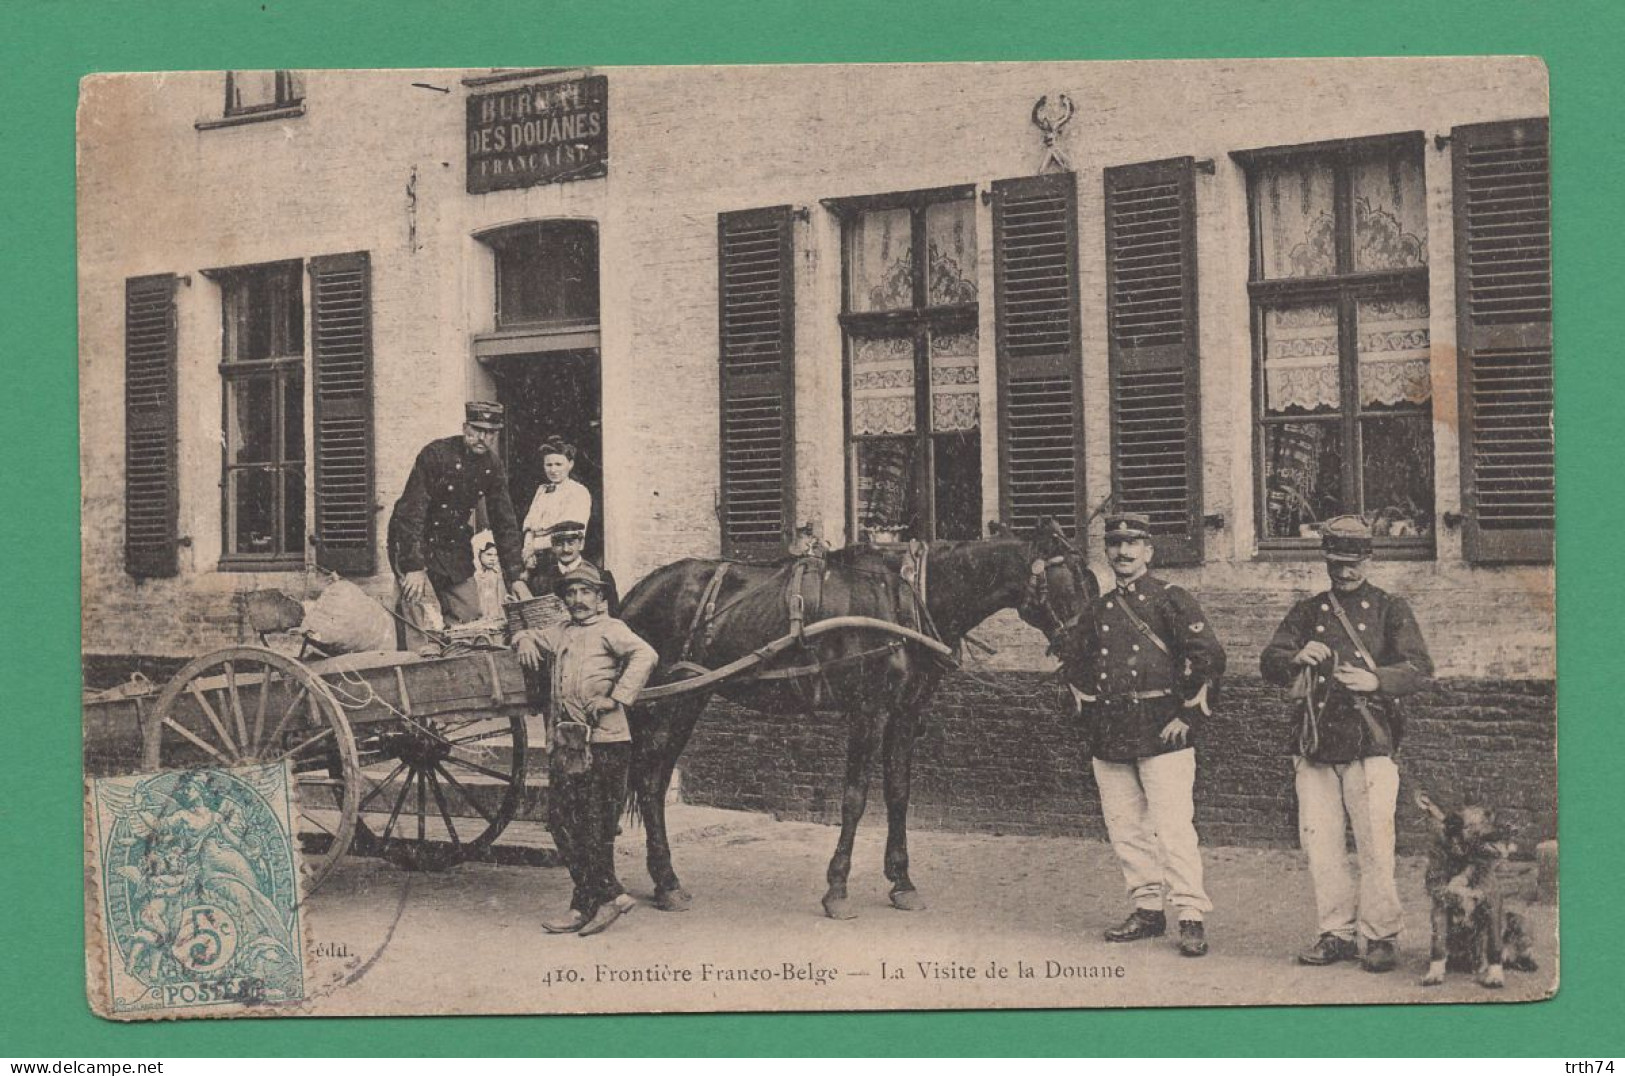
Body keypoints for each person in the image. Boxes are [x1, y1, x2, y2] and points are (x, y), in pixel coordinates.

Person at [1261, 515, 1434, 973]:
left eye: (1354, 563)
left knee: (1377, 841)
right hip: (1316, 741)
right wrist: (1295, 656)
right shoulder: (1307, 611)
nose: (1345, 573)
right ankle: (1335, 932)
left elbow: (1419, 668)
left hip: (1370, 741)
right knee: (1321, 842)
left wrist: (1376, 679)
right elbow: (1271, 661)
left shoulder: (1389, 609)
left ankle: (1381, 936)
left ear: (1369, 560)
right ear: (1327, 561)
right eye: (1337, 564)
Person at [1067, 512, 1226, 957]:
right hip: (1112, 731)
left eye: (1133, 544)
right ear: (1107, 552)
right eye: (1116, 544)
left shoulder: (1171, 600)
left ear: (1149, 552)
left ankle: (1191, 915)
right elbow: (1076, 665)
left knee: (1173, 827)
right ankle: (1147, 910)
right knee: (1126, 828)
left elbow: (1210, 657)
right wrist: (1089, 712)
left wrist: (1189, 718)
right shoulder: (1097, 610)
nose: (1124, 552)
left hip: (1162, 728)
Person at [515, 562, 658, 937]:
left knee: (595, 826)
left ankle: (584, 905)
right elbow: (526, 634)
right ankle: (609, 894)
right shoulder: (560, 631)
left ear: (599, 598)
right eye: (571, 593)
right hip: (568, 744)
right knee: (562, 823)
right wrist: (525, 640)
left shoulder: (612, 630)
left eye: (585, 593)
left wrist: (617, 698)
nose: (578, 600)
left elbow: (646, 656)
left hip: (607, 743)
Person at [386, 402, 530, 632]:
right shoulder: (435, 455)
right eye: (477, 430)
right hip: (413, 538)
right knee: (416, 611)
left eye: (491, 432)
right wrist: (413, 566)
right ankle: (416, 661)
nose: (483, 437)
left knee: (470, 615)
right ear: (465, 428)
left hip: (452, 543)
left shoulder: (492, 466)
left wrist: (515, 577)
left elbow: (504, 522)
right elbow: (411, 513)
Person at [521, 440, 594, 567]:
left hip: (561, 556)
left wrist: (533, 548)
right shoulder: (542, 490)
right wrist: (528, 549)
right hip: (533, 556)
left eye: (558, 464)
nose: (553, 470)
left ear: (570, 464)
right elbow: (530, 523)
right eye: (548, 465)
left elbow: (568, 533)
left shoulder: (578, 492)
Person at [525, 520, 620, 617]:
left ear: (581, 543)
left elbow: (613, 617)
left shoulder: (601, 577)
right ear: (552, 546)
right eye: (559, 544)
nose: (565, 549)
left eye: (571, 543)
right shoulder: (540, 580)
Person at [473, 539, 505, 621]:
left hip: (497, 613)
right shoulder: (477, 575)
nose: (493, 559)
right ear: (480, 555)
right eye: (489, 554)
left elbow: (501, 596)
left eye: (495, 555)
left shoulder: (497, 574)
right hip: (482, 613)